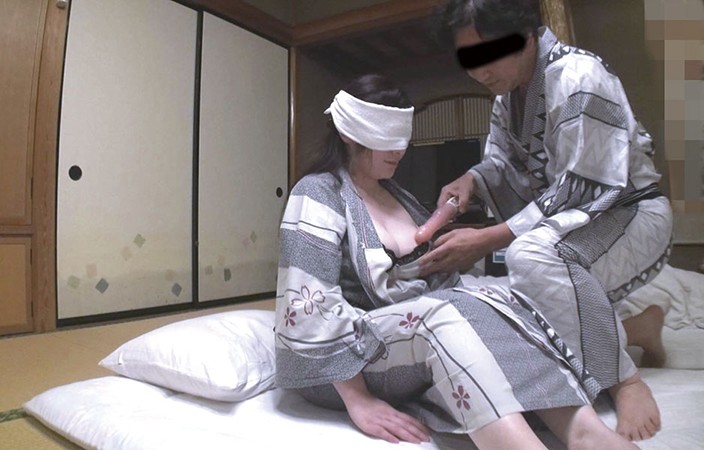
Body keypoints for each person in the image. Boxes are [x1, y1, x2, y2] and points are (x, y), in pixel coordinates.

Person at [275, 74, 638, 450]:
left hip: (410, 340)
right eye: (386, 138)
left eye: (403, 138)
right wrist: (359, 399)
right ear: (348, 133)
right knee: (448, 314)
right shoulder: (318, 192)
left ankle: (586, 433)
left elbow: (437, 284)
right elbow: (308, 303)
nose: (399, 150)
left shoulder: (397, 195)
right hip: (344, 362)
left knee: (500, 300)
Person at [424, 0, 673, 441]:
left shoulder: (578, 76)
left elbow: (584, 186)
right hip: (575, 225)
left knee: (529, 258)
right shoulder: (507, 99)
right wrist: (471, 181)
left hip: (630, 211)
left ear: (525, 34)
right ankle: (638, 328)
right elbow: (501, 164)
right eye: (469, 60)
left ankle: (626, 382)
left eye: (489, 53)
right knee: (509, 298)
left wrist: (488, 239)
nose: (480, 72)